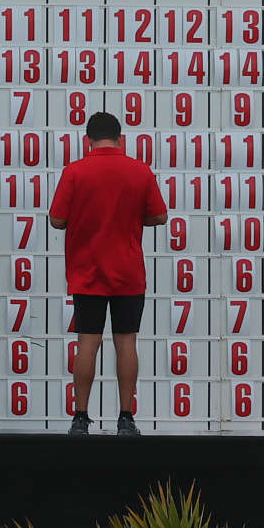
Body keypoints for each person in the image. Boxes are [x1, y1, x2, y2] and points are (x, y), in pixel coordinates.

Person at [48, 110, 167, 436]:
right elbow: (159, 216)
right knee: (126, 343)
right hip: (128, 272)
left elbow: (57, 219)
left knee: (88, 342)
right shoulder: (139, 171)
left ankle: (80, 418)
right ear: (120, 138)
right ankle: (126, 418)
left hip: (87, 272)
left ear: (88, 140)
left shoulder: (75, 172)